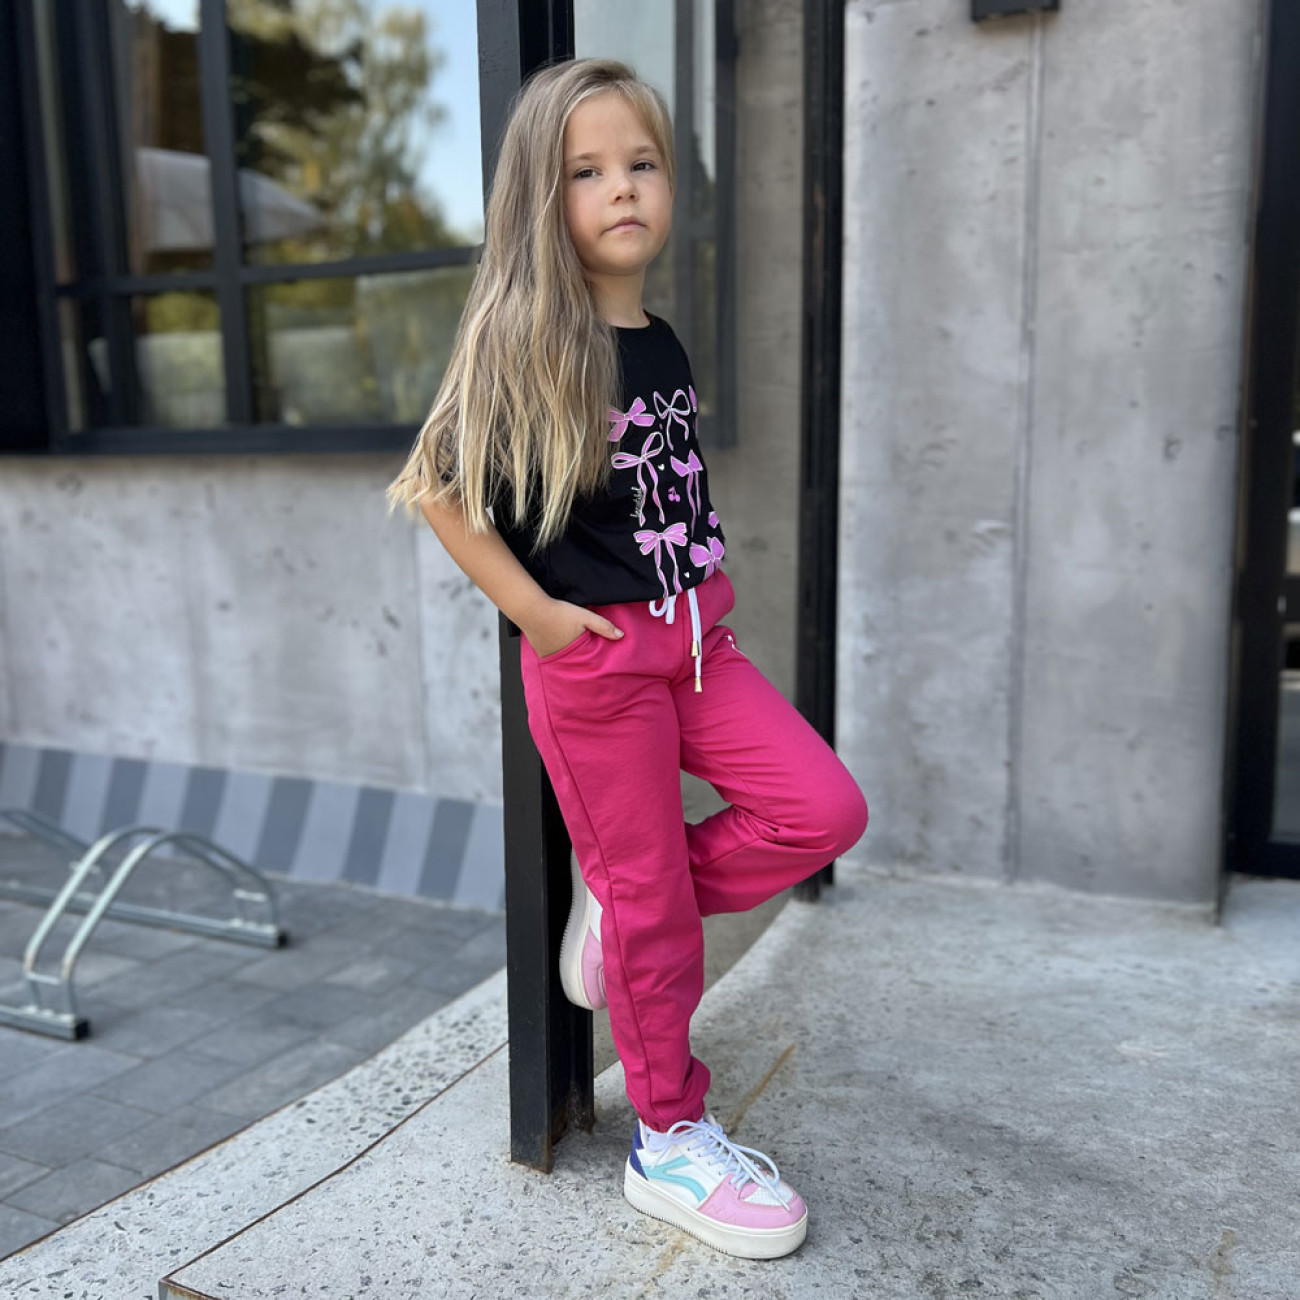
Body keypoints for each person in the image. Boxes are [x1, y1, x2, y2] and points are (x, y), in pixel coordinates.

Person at [386, 56, 868, 1262]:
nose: (622, 189)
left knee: (820, 810)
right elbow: (436, 486)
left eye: (641, 164)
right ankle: (669, 1139)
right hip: (596, 665)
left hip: (701, 644)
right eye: (586, 172)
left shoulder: (659, 337)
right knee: (651, 904)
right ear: (540, 200)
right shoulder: (525, 336)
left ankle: (627, 911)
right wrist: (539, 617)